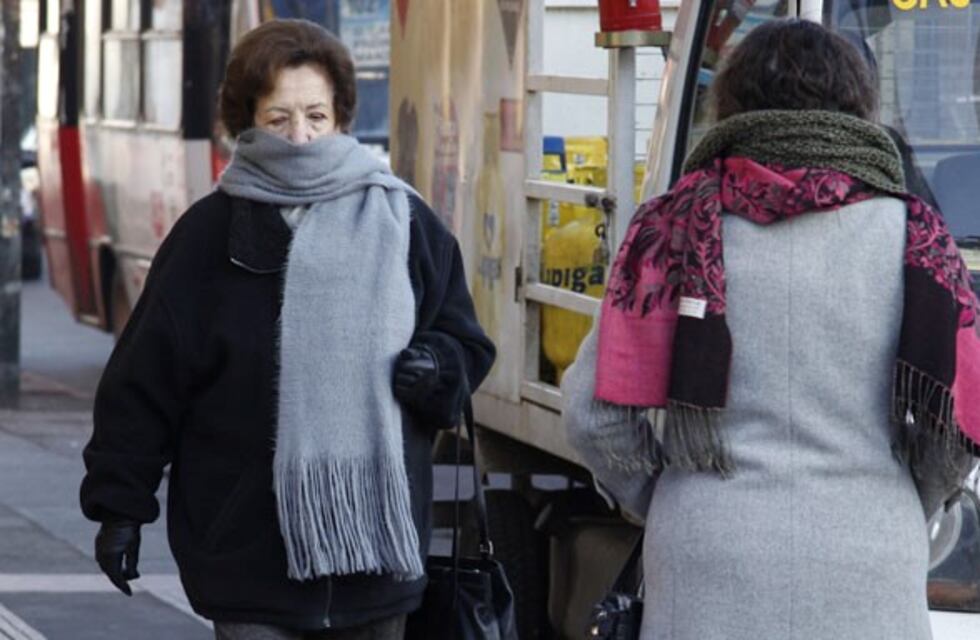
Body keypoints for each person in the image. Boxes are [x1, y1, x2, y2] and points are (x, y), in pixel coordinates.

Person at [562, 18, 980, 640]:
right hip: (867, 560)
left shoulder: (671, 227)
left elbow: (593, 417)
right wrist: (901, 501)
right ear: (859, 107)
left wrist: (668, 495)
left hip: (707, 560)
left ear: (728, 104)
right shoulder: (918, 239)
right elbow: (961, 426)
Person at [79, 19, 495, 640]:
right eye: (279, 119)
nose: (300, 137)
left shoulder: (404, 222)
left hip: (376, 562)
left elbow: (466, 343)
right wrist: (119, 510)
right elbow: (144, 382)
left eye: (316, 116)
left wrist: (437, 367)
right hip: (248, 559)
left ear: (341, 116)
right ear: (246, 121)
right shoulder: (208, 235)